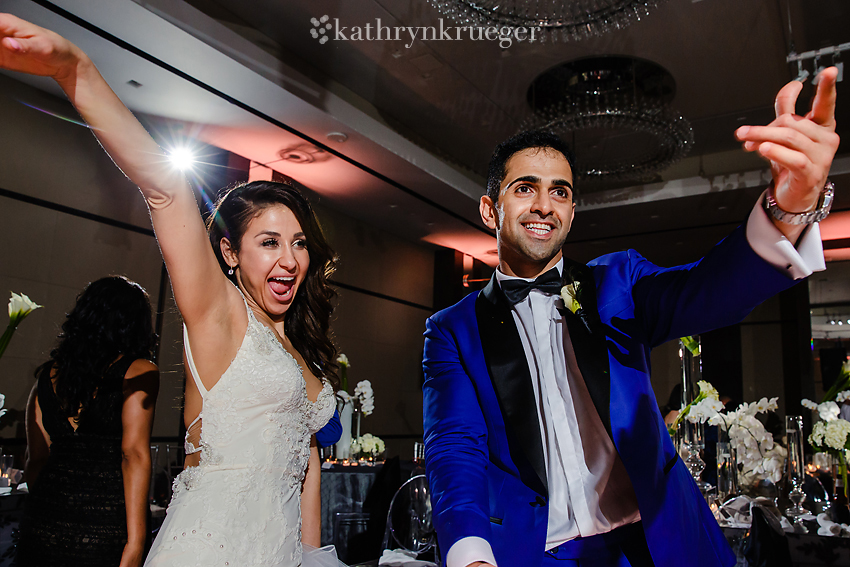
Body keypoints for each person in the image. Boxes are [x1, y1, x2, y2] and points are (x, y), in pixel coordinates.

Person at [422, 67, 839, 567]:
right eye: (525, 188)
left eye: (560, 192)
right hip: (537, 552)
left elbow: (709, 292)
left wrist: (788, 208)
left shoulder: (617, 282)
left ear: (573, 212)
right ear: (491, 210)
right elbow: (454, 448)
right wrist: (470, 553)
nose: (544, 205)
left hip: (656, 542)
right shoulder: (452, 329)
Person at [0, 14, 342, 566]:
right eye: (269, 242)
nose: (290, 258)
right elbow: (165, 189)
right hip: (212, 547)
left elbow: (304, 468)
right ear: (229, 254)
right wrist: (75, 69)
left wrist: (310, 555)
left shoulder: (294, 346)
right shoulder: (222, 317)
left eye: (299, 243)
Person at [19, 276, 160, 567]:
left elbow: (35, 461)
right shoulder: (139, 371)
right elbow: (133, 455)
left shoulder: (46, 377)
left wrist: (56, 508)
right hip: (106, 527)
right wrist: (136, 543)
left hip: (44, 522)